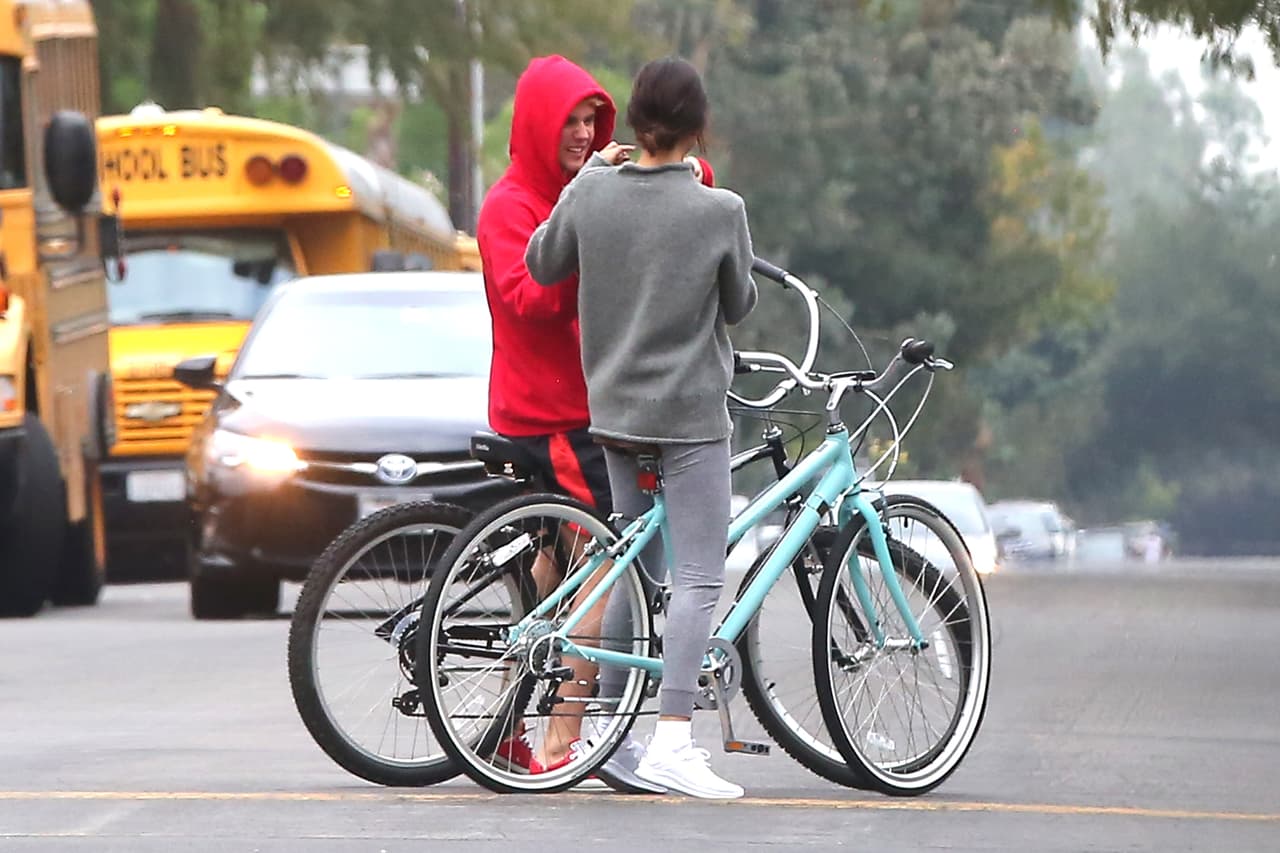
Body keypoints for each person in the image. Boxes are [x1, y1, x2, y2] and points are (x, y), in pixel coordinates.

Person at [476, 55, 713, 788]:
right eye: (569, 123)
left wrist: (655, 184)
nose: (581, 134)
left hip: (584, 406)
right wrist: (589, 231)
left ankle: (510, 728)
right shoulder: (512, 205)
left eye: (591, 121)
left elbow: (669, 203)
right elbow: (525, 295)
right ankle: (564, 735)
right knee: (608, 560)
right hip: (553, 415)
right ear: (537, 126)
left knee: (556, 574)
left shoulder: (583, 190)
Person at [526, 56, 758, 799]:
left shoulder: (594, 193)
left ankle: (616, 732)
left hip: (616, 415)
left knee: (636, 563)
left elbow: (542, 260)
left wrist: (586, 177)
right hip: (689, 419)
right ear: (698, 128)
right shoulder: (719, 211)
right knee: (695, 574)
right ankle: (672, 737)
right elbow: (738, 303)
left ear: (629, 123)